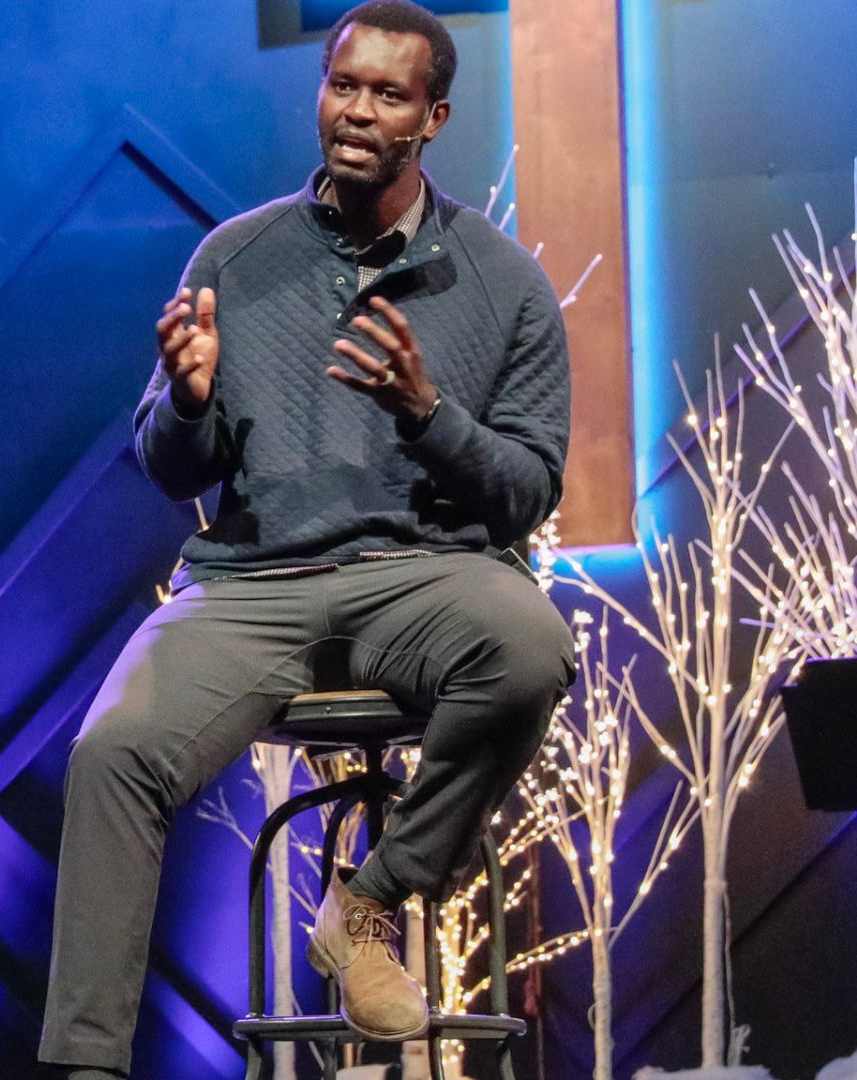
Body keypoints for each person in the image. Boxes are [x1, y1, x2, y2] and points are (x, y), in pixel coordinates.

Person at [38, 3, 576, 1076]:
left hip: (426, 578)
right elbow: (168, 468)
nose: (357, 111)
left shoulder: (504, 281)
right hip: (253, 582)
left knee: (530, 646)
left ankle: (371, 902)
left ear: (433, 117)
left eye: (388, 94)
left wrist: (430, 415)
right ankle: (85, 1064)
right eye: (343, 85)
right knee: (113, 751)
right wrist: (189, 403)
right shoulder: (236, 256)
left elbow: (525, 495)